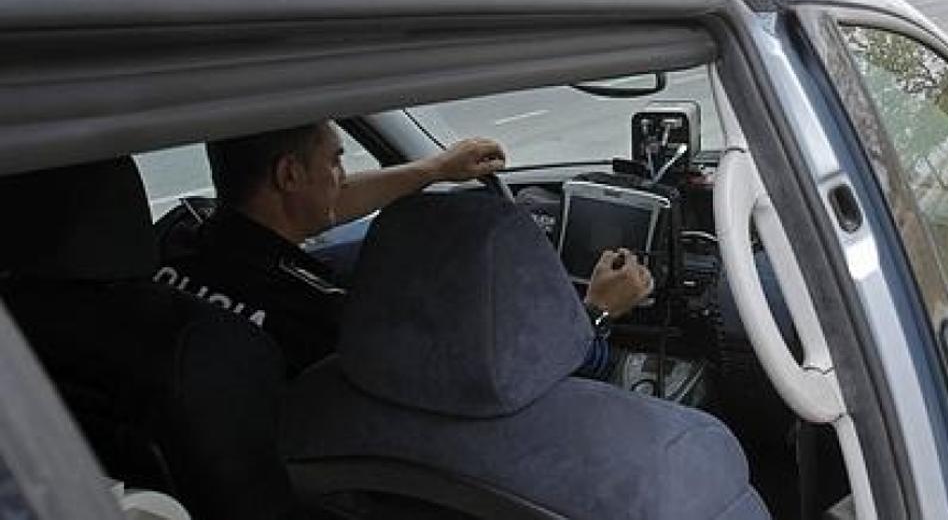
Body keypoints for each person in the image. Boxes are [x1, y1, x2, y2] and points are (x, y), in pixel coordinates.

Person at [154, 121, 653, 375]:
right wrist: (595, 314)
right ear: (288, 175)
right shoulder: (320, 318)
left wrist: (433, 171)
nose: (342, 177)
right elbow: (492, 384)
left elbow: (314, 204)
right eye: (335, 162)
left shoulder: (175, 234)